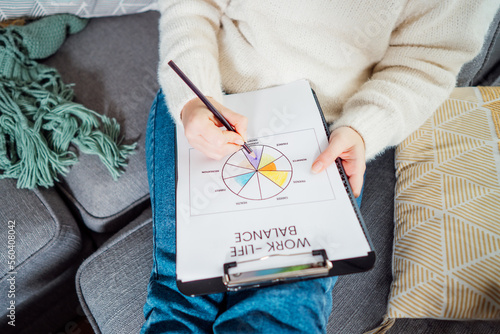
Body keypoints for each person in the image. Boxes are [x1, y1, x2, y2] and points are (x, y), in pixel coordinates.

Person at [141, 1, 496, 333]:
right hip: (208, 99)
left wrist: (363, 127)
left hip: (323, 131)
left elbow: (427, 63)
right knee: (184, 290)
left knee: (283, 306)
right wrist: (191, 100)